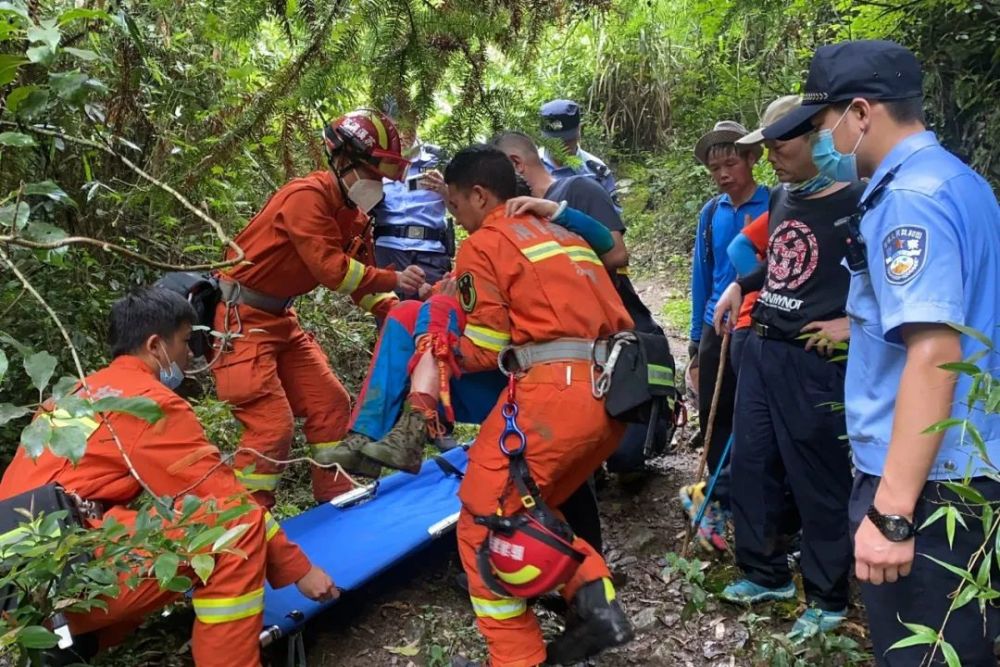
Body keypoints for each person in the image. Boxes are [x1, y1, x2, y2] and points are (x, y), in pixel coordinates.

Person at [764, 40, 1000, 663]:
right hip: (964, 465)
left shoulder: (908, 203)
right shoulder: (957, 181)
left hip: (928, 482)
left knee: (922, 651)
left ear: (861, 113)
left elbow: (933, 353)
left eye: (821, 126)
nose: (823, 142)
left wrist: (893, 514)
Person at [0, 288, 336, 667]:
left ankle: (69, 647)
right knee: (234, 528)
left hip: (17, 578)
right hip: (61, 575)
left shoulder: (72, 394)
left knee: (143, 525)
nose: (190, 353)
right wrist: (300, 570)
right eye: (185, 340)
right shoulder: (147, 403)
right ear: (156, 345)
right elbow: (226, 499)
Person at [392, 145, 633, 667]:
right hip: (612, 396)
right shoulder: (558, 230)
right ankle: (597, 607)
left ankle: (516, 659)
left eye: (455, 206)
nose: (455, 218)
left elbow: (485, 345)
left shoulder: (484, 242)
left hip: (554, 397)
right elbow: (611, 259)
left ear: (479, 196)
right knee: (529, 513)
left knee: (481, 524)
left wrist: (435, 347)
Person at [210, 109, 426, 508]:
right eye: (372, 173)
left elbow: (364, 285)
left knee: (329, 404)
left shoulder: (353, 216)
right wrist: (394, 280)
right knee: (271, 427)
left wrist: (407, 318)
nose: (376, 185)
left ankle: (337, 500)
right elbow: (334, 271)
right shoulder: (305, 198)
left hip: (280, 320)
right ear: (343, 160)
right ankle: (245, 525)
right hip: (240, 322)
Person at [711, 95, 864, 637]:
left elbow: (894, 285)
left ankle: (827, 595)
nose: (773, 156)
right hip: (764, 346)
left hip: (814, 361)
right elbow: (778, 264)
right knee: (753, 464)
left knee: (816, 476)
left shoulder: (861, 200)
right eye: (769, 147)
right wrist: (739, 284)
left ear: (817, 138)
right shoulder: (783, 198)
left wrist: (855, 323)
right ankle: (765, 571)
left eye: (782, 144)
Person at [494, 131, 677, 472]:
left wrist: (558, 216)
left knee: (627, 459)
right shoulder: (513, 218)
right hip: (564, 348)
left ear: (515, 165)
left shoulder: (577, 189)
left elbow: (617, 253)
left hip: (616, 334)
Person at [682, 120, 769, 548]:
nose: (722, 174)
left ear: (752, 158)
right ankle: (717, 503)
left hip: (759, 322)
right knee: (713, 420)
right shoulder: (711, 213)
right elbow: (703, 273)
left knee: (749, 415)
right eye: (714, 168)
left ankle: (749, 495)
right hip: (718, 324)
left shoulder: (775, 203)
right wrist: (697, 337)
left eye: (731, 162)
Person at [373, 142, 453, 299]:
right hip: (388, 250)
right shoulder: (376, 161)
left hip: (430, 252)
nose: (402, 132)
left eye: (408, 119)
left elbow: (462, 207)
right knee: (389, 314)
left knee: (433, 312)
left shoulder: (439, 160)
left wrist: (444, 189)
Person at [539, 100, 618, 204]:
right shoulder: (529, 166)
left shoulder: (597, 170)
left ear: (578, 133)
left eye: (567, 141)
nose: (561, 147)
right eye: (554, 142)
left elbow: (612, 214)